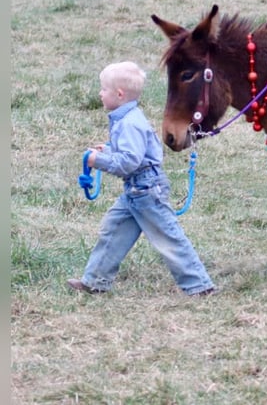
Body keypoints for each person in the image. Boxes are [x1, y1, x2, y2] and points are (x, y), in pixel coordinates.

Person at [67, 61, 216, 296]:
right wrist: (107, 150)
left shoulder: (129, 123)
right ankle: (95, 281)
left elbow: (129, 162)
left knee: (168, 236)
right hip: (135, 191)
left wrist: (99, 161)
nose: (100, 93)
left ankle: (199, 285)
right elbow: (133, 152)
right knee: (113, 230)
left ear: (119, 94)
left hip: (147, 191)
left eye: (103, 89)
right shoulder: (126, 118)